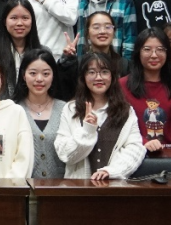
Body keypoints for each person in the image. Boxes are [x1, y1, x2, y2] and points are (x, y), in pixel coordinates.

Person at [55, 52, 145, 180]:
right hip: (78, 188)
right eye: (92, 72)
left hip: (114, 187)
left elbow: (135, 149)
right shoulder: (70, 109)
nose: (98, 78)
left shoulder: (126, 111)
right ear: (83, 77)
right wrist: (87, 131)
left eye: (104, 72)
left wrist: (111, 171)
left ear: (112, 76)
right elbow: (65, 154)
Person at [120, 28, 171, 150]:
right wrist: (143, 142)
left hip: (170, 155)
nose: (154, 55)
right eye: (147, 49)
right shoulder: (122, 85)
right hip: (134, 153)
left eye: (160, 49)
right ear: (138, 53)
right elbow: (118, 126)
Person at [14, 49, 66, 179]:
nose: (39, 79)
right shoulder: (14, 110)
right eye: (33, 73)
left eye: (46, 74)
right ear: (23, 75)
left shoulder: (65, 109)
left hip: (60, 187)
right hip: (23, 187)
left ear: (53, 76)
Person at [57, 11, 128, 99]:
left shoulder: (124, 65)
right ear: (87, 34)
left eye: (108, 27)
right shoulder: (78, 64)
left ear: (114, 32)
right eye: (96, 27)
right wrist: (67, 60)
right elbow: (64, 90)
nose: (102, 31)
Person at [0, 0, 41, 97]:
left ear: (32, 21)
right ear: (4, 21)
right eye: (14, 18)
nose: (19, 23)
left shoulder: (42, 52)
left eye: (25, 18)